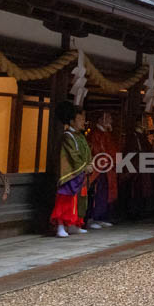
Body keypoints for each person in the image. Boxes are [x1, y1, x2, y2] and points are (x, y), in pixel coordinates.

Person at [50, 101, 91, 237]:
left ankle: (74, 224)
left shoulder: (81, 136)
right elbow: (72, 155)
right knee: (65, 200)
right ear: (72, 121)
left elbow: (87, 153)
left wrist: (89, 164)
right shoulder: (68, 136)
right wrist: (84, 166)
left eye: (83, 119)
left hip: (80, 174)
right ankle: (61, 226)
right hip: (70, 174)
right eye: (80, 119)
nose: (83, 122)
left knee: (79, 200)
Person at [85, 111, 116, 229]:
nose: (110, 121)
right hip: (98, 169)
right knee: (96, 193)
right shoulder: (94, 134)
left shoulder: (106, 134)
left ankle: (101, 217)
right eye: (108, 118)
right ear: (100, 120)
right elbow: (97, 151)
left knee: (105, 193)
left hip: (107, 169)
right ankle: (91, 218)